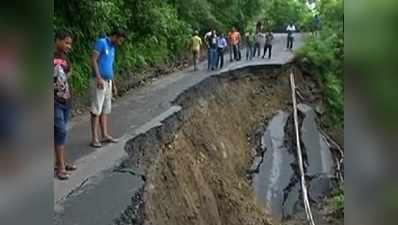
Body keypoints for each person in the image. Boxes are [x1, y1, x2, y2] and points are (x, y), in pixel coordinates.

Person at [90, 29, 126, 148]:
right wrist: (99, 78)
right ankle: (94, 138)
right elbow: (94, 59)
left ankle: (104, 135)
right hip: (99, 81)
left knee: (105, 109)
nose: (120, 43)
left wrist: (113, 84)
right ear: (115, 36)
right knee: (96, 110)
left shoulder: (112, 47)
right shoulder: (101, 42)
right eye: (119, 40)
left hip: (108, 81)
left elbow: (110, 66)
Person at [54, 30, 76, 180]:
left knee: (61, 132)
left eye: (70, 44)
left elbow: (70, 71)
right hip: (53, 100)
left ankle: (60, 162)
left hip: (65, 99)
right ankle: (60, 168)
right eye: (66, 42)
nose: (69, 46)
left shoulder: (65, 58)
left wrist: (64, 76)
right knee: (60, 131)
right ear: (58, 40)